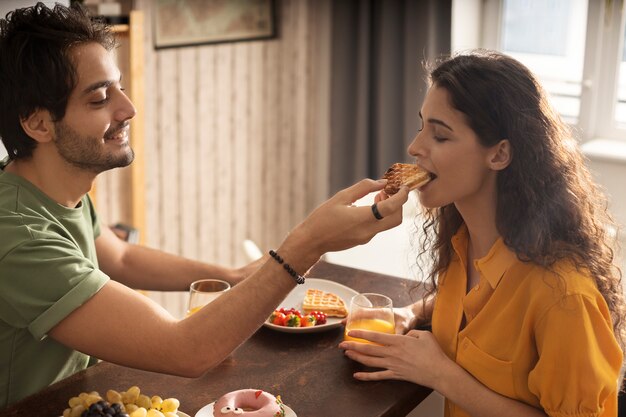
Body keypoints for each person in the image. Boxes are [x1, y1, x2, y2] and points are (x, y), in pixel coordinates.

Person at [0, 2, 410, 408]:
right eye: (98, 99)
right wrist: (307, 244)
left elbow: (119, 256)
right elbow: (185, 350)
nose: (128, 108)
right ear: (38, 123)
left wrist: (230, 275)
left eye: (119, 86)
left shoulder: (50, 187)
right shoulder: (18, 235)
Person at [340, 50, 626, 417]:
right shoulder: (464, 245)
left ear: (499, 154)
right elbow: (471, 301)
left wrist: (442, 375)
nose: (414, 148)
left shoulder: (564, 298)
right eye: (421, 126)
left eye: (440, 136)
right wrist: (409, 313)